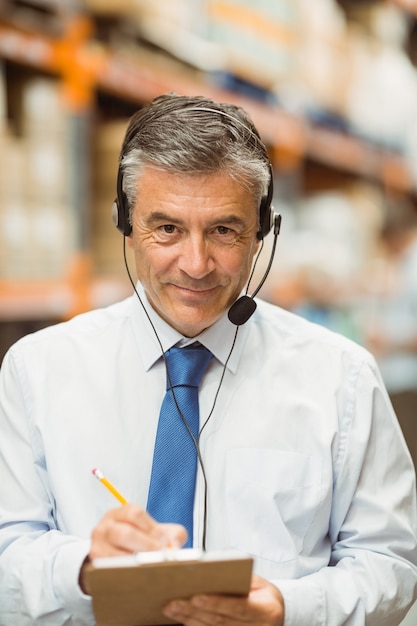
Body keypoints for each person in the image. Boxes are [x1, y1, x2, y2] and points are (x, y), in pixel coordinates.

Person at [0, 93, 416, 626]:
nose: (195, 265)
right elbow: (9, 551)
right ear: (125, 223)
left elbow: (390, 565)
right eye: (167, 228)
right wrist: (81, 568)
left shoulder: (342, 379)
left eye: (223, 230)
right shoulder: (38, 370)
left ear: (263, 229)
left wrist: (289, 609)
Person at [364, 195, 417, 471]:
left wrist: (388, 339)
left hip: (408, 382)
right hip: (397, 381)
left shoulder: (413, 267)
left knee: (406, 460)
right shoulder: (403, 266)